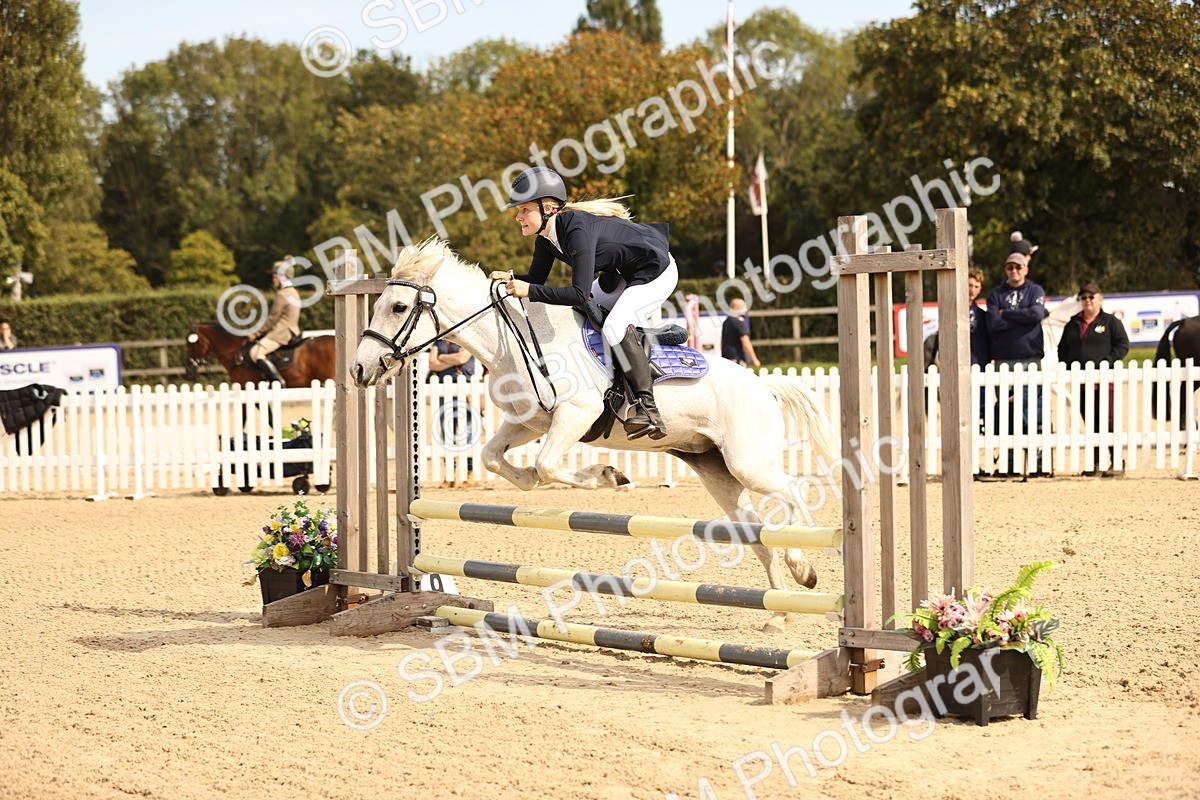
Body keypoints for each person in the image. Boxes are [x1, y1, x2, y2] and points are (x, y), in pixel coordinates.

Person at [490, 166, 677, 440]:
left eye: (523, 210)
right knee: (577, 313)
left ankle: (648, 408)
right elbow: (537, 279)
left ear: (548, 208)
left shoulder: (576, 229)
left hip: (655, 270)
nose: (518, 217)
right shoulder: (546, 238)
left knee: (614, 326)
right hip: (621, 275)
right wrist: (512, 277)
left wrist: (528, 290)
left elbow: (577, 292)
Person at [1057, 282, 1130, 477]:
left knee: (1109, 422)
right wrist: (1067, 365)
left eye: (1091, 297)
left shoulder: (1110, 322)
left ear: (1100, 299)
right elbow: (1062, 348)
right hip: (1081, 383)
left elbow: (1122, 345)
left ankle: (1116, 462)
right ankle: (1096, 462)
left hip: (1105, 382)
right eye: (1084, 298)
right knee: (1090, 423)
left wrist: (1107, 362)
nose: (1087, 301)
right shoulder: (1073, 323)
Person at [986, 251, 1048, 474]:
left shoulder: (1035, 290)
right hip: (1003, 361)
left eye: (1018, 267)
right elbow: (993, 323)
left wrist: (1007, 314)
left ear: (1026, 269)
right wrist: (1022, 319)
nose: (1014, 271)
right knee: (1006, 410)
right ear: (1006, 270)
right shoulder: (996, 294)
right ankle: (1010, 462)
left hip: (1030, 359)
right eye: (1010, 267)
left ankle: (1038, 461)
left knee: (1035, 408)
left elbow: (1037, 314)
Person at [427, 339, 479, 487]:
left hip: (467, 390)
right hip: (444, 392)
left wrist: (442, 358)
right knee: (447, 433)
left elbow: (462, 358)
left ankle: (470, 472)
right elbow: (432, 364)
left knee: (468, 432)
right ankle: (449, 475)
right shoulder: (438, 342)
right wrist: (453, 360)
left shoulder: (465, 340)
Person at [247, 257, 302, 385]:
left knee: (255, 353)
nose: (273, 279)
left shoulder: (282, 294)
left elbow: (273, 318)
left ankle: (278, 381)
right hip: (292, 331)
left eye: (275, 276)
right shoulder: (294, 292)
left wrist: (256, 334)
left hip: (281, 333)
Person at [720, 298, 760, 367]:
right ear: (736, 308)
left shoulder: (726, 322)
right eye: (743, 307)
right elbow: (745, 342)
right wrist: (754, 359)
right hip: (737, 360)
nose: (745, 309)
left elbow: (722, 342)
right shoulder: (738, 323)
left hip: (726, 360)